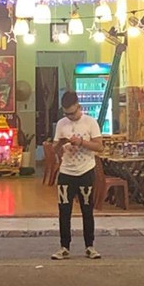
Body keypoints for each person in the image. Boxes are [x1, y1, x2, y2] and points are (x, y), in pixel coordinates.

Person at [50, 91, 103, 260]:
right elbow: (54, 149)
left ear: (79, 106)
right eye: (67, 114)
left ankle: (90, 246)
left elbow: (99, 147)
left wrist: (81, 142)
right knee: (64, 211)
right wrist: (62, 143)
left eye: (73, 113)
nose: (70, 117)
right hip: (66, 171)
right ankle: (64, 246)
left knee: (87, 209)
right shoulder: (61, 124)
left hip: (86, 170)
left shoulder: (90, 122)